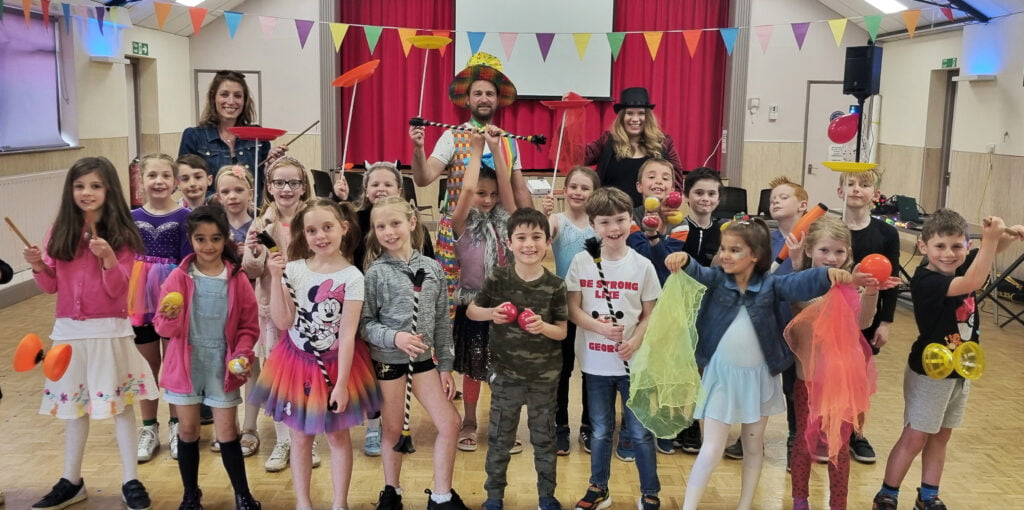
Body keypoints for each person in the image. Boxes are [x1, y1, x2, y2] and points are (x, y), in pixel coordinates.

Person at [664, 218, 857, 510]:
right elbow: (698, 272)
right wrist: (683, 259)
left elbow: (799, 283)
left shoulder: (772, 285)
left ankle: (744, 505)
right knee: (712, 447)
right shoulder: (717, 280)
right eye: (724, 249)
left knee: (754, 446)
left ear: (755, 255)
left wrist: (827, 273)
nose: (725, 255)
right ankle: (689, 506)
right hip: (722, 379)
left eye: (735, 250)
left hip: (759, 379)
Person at [22, 156, 155, 510]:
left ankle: (131, 479)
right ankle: (72, 480)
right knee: (73, 409)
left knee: (122, 407)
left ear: (109, 189)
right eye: (79, 186)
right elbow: (50, 286)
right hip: (68, 333)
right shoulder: (60, 230)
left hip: (110, 331)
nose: (86, 192)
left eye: (95, 185)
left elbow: (120, 290)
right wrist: (37, 265)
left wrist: (110, 259)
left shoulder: (123, 234)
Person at [872, 210, 1024, 510]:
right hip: (930, 373)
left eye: (957, 246)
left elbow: (990, 254)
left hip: (959, 371)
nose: (949, 254)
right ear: (923, 247)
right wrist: (992, 241)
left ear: (966, 247)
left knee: (941, 436)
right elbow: (973, 281)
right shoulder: (926, 280)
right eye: (940, 246)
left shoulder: (961, 265)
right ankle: (887, 494)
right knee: (915, 437)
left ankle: (928, 495)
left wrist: (1007, 234)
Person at [249, 199, 382, 510]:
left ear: (343, 228)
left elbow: (348, 335)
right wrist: (276, 279)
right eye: (311, 230)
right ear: (303, 234)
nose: (320, 236)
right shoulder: (292, 270)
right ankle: (304, 503)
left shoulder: (352, 277)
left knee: (337, 437)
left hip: (338, 367)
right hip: (296, 364)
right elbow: (283, 322)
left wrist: (341, 385)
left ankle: (339, 503)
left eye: (327, 227)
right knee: (300, 438)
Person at [360, 196, 468, 510]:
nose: (388, 231)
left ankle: (441, 496)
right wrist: (396, 338)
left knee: (450, 423)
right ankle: (392, 492)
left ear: (411, 223)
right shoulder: (375, 273)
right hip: (388, 363)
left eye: (395, 223)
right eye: (381, 226)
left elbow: (441, 323)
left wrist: (445, 366)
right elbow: (365, 324)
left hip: (423, 363)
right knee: (393, 428)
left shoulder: (433, 269)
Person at [154, 206, 262, 509]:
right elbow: (164, 329)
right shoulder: (178, 277)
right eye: (200, 239)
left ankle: (243, 494)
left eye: (215, 238)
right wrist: (168, 316)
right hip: (185, 366)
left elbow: (248, 326)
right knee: (188, 430)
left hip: (222, 366)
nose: (209, 245)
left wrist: (242, 353)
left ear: (225, 238)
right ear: (191, 240)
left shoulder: (237, 278)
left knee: (228, 431)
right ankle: (191, 493)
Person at [409, 52, 532, 318]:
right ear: (468, 100)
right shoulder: (452, 136)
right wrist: (418, 149)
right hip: (459, 231)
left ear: (498, 100)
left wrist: (531, 225)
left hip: (498, 232)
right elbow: (423, 178)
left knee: (497, 292)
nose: (484, 98)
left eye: (489, 93)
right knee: (451, 296)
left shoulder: (509, 141)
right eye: (478, 93)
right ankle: (450, 351)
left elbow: (519, 189)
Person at [786, 215, 894, 510]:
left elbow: (864, 321)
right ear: (810, 250)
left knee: (840, 445)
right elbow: (807, 312)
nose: (832, 258)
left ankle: (838, 503)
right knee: (804, 441)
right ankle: (800, 500)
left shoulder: (852, 287)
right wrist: (798, 267)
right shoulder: (803, 285)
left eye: (839, 252)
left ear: (849, 255)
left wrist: (869, 292)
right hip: (808, 379)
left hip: (844, 379)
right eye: (824, 250)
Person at [566, 187, 662, 510]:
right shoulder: (582, 262)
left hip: (633, 364)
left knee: (640, 431)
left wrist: (634, 341)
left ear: (630, 220)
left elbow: (650, 313)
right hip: (595, 364)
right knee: (601, 430)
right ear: (593, 225)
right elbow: (572, 309)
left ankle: (650, 491)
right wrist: (600, 328)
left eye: (620, 220)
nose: (614, 228)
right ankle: (598, 488)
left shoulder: (642, 266)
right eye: (605, 222)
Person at [467, 207, 569, 510]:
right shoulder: (498, 278)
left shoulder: (555, 285)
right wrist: (492, 314)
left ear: (547, 242)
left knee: (544, 441)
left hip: (543, 379)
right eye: (521, 237)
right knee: (499, 439)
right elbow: (473, 311)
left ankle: (546, 496)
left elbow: (562, 332)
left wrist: (543, 327)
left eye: (537, 237)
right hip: (505, 376)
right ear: (509, 243)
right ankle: (494, 496)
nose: (529, 244)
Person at [351, 161, 436, 458]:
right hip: (365, 307)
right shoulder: (355, 221)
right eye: (374, 184)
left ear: (400, 190)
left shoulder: (415, 232)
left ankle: (395, 422)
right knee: (371, 373)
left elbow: (428, 273)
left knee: (397, 377)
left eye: (387, 184)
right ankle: (374, 424)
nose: (380, 189)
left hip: (401, 315)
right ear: (365, 190)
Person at [241, 156, 318, 473]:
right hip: (273, 310)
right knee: (279, 379)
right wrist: (253, 251)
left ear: (303, 187)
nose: (286, 189)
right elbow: (250, 269)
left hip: (307, 310)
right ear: (269, 187)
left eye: (293, 183)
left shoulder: (313, 218)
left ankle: (306, 441)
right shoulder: (260, 224)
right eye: (279, 183)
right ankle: (284, 440)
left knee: (305, 379)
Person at [724, 175, 807, 462]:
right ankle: (749, 440)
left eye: (784, 197)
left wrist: (798, 263)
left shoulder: (812, 243)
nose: (775, 201)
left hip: (798, 329)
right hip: (766, 329)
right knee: (758, 385)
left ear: (803, 205)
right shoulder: (765, 241)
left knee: (796, 389)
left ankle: (796, 442)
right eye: (773, 197)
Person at [452, 130, 517, 454]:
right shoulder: (461, 222)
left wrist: (496, 147)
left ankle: (503, 422)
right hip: (473, 305)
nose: (488, 199)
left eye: (491, 194)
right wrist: (476, 151)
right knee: (473, 370)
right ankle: (469, 420)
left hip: (505, 307)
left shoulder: (507, 221)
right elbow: (466, 188)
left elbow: (506, 187)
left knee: (503, 369)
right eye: (482, 193)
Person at [130, 153, 194, 463]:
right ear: (140, 180)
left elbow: (187, 260)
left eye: (165, 176)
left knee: (173, 365)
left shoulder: (184, 218)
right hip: (138, 297)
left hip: (173, 296)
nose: (159, 181)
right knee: (146, 367)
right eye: (152, 175)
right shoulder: (132, 217)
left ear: (176, 182)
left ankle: (176, 425)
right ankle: (148, 427)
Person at [838, 168, 901, 463]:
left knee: (859, 379)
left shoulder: (886, 234)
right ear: (840, 191)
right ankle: (827, 430)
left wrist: (886, 322)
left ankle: (856, 433)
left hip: (867, 316)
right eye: (850, 184)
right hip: (833, 316)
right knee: (827, 375)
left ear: (874, 195)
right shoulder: (831, 228)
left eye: (864, 185)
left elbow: (892, 278)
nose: (856, 189)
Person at [541, 166, 599, 455]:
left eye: (584, 188)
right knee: (561, 369)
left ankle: (588, 427)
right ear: (564, 190)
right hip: (562, 306)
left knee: (590, 369)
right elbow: (539, 244)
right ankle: (560, 425)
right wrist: (544, 216)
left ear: (594, 193)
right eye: (573, 186)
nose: (577, 192)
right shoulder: (557, 220)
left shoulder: (599, 225)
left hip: (592, 307)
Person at [178, 70, 287, 200]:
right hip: (212, 216)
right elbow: (184, 181)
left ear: (244, 100)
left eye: (237, 96)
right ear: (214, 98)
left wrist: (270, 165)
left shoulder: (257, 135)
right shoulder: (194, 136)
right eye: (224, 94)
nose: (231, 101)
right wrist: (214, 199)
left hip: (253, 215)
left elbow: (267, 182)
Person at [584, 87, 683, 207]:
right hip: (611, 215)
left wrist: (669, 208)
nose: (635, 119)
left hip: (652, 216)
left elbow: (676, 182)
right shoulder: (607, 140)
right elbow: (579, 157)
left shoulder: (664, 143)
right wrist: (569, 113)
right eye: (629, 113)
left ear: (648, 117)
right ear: (621, 117)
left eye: (641, 113)